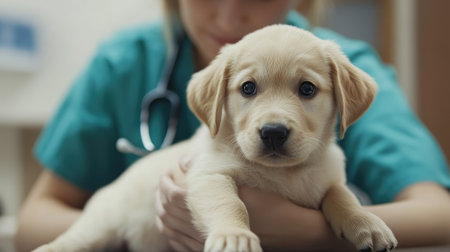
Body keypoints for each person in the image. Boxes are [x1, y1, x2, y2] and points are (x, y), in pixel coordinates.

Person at [15, 0, 450, 251]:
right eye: (248, 88)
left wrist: (306, 231)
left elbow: (438, 212)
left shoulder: (342, 61)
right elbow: (32, 222)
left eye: (305, 89)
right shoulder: (124, 62)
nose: (228, 16)